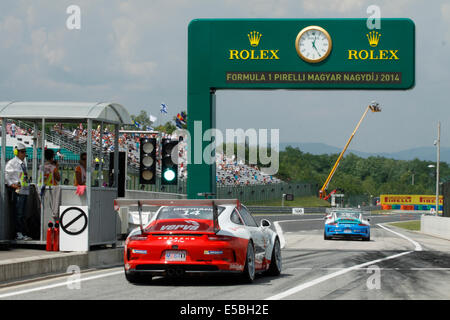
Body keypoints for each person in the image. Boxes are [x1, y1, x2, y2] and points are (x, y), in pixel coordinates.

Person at [5, 142, 31, 240]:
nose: (24, 154)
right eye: (22, 152)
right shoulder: (12, 163)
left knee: (23, 212)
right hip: (17, 190)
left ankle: (22, 232)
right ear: (17, 152)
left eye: (24, 152)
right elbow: (6, 177)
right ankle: (18, 233)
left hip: (24, 189)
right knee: (18, 212)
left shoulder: (23, 163)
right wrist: (13, 185)